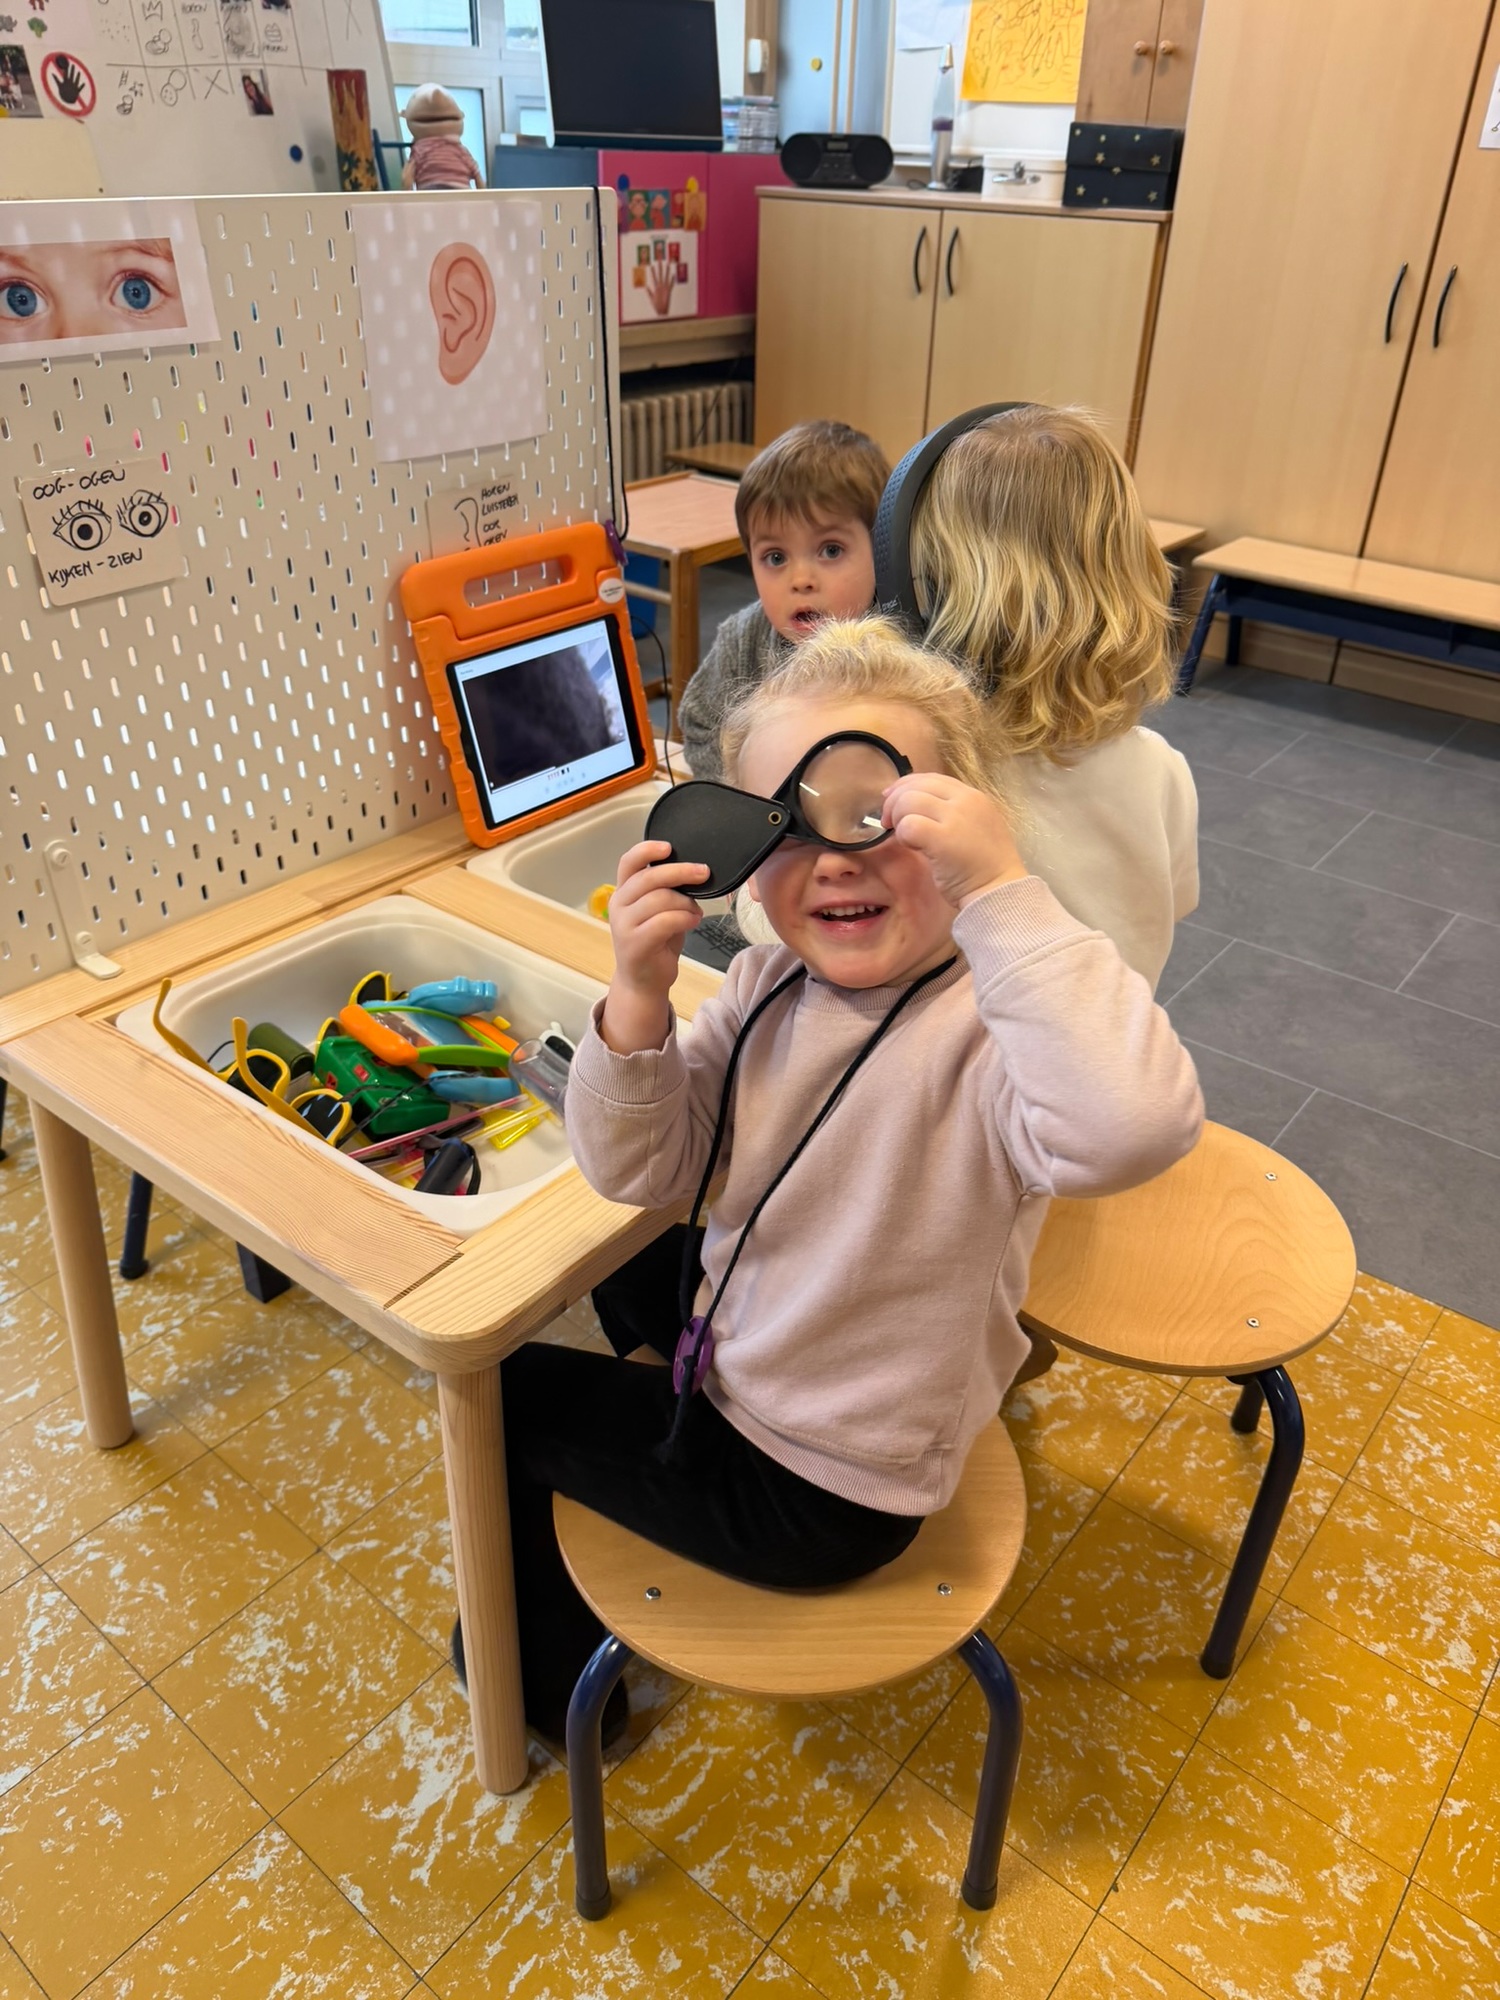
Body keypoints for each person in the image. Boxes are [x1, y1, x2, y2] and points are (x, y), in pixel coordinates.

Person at [461, 617, 1203, 1744]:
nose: (838, 859)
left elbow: (1133, 1127)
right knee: (625, 1268)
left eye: (881, 817)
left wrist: (1006, 894)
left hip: (824, 1485)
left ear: (969, 828)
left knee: (505, 1393)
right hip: (769, 1347)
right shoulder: (764, 982)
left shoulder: (994, 1031)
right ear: (744, 864)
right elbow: (639, 1170)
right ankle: (670, 1421)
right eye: (784, 828)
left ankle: (543, 1688)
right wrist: (637, 1002)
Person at [907, 404, 1198, 992]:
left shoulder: (929, 786)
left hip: (971, 1048)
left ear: (926, 597)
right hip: (1109, 1034)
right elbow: (1175, 902)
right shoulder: (1162, 767)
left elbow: (796, 927)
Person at [677, 420, 889, 780]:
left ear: (880, 547)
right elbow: (700, 725)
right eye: (775, 558)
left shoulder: (907, 643)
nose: (801, 580)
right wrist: (745, 793)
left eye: (831, 550)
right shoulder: (743, 641)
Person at [401, 84, 483, 192]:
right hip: (458, 193)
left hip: (431, 194)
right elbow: (476, 173)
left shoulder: (419, 149)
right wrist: (483, 195)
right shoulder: (460, 150)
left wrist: (407, 190)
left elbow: (408, 176)